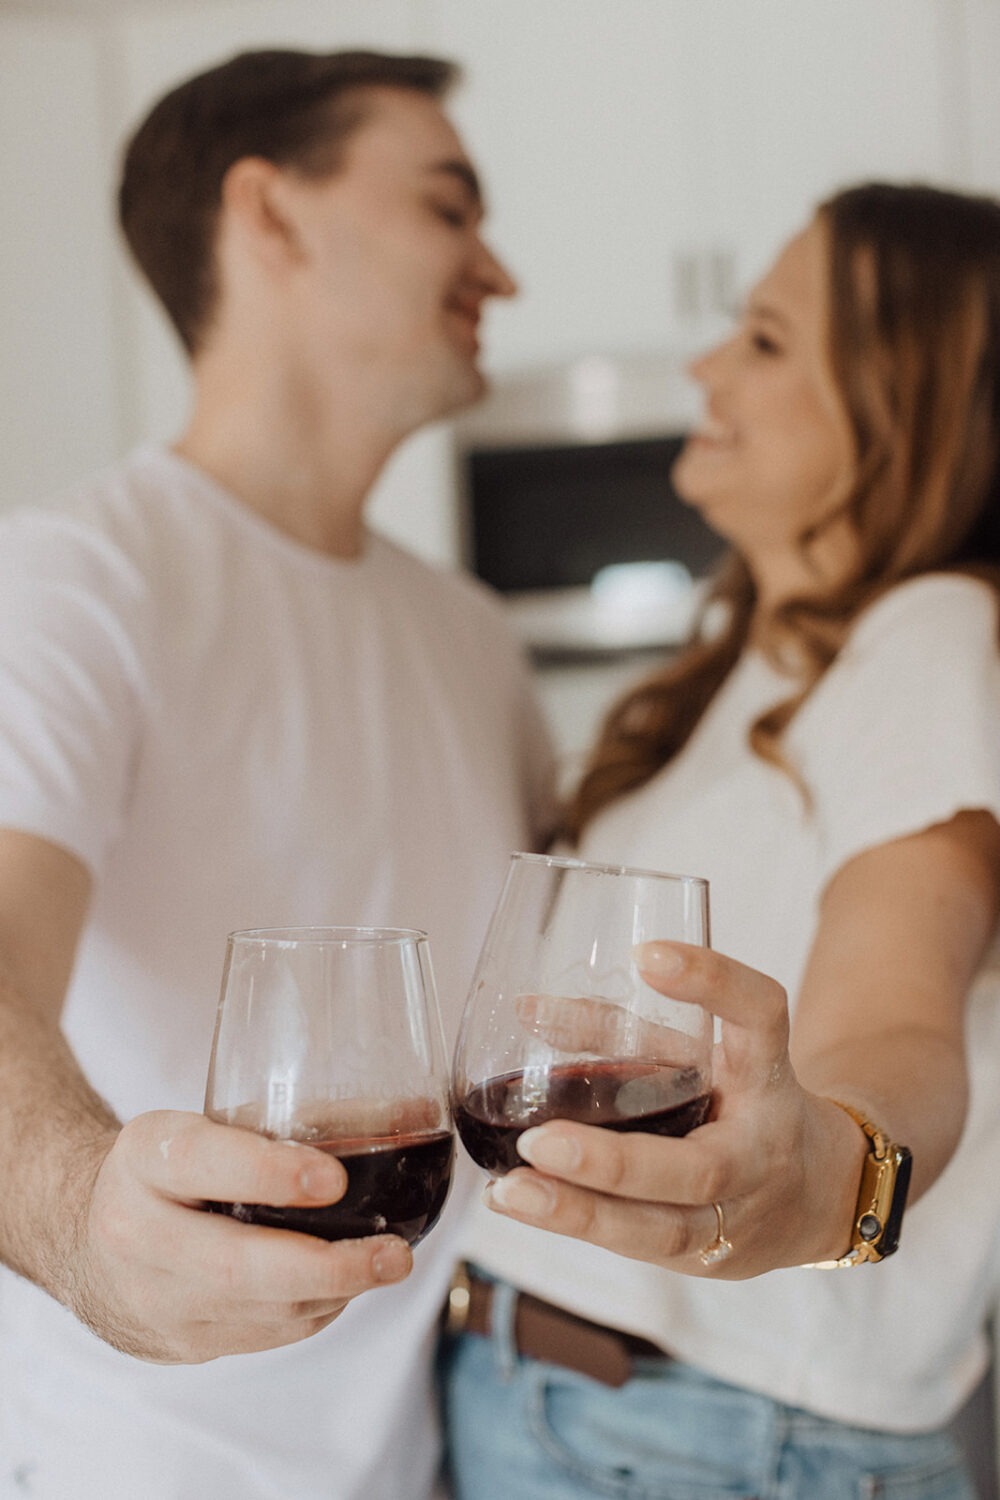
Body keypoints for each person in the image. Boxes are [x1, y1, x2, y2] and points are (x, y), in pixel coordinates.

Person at [0, 46, 562, 1500]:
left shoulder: (472, 637)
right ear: (272, 214)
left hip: (441, 1452)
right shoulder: (76, 584)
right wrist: (77, 1227)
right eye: (451, 207)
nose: (495, 268)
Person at [440, 182, 1000, 1500]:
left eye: (762, 338)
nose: (704, 364)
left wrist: (832, 1180)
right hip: (594, 1410)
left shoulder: (929, 637)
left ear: (904, 402)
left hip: (715, 1437)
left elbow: (898, 1017)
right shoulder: (751, 662)